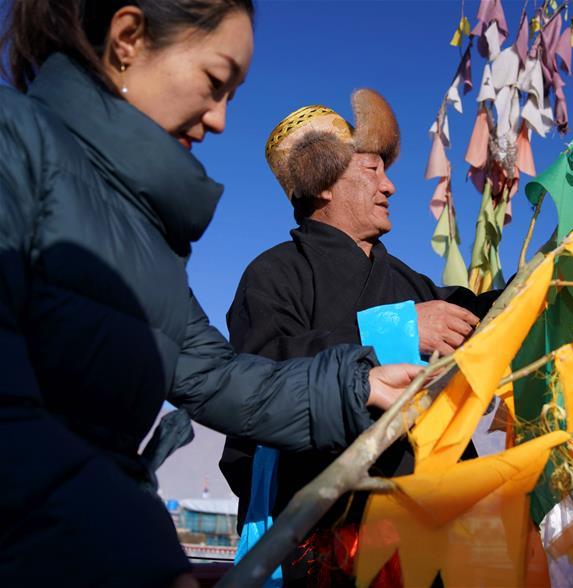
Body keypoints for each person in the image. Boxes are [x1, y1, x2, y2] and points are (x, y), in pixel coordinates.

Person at [0, 2, 419, 587]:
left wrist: (356, 383)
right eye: (214, 82)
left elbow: (217, 377)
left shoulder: (149, 239)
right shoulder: (12, 144)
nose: (220, 118)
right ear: (128, 38)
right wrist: (138, 545)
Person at [219, 93, 500, 585]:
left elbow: (485, 315)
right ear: (324, 184)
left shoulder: (410, 283)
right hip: (326, 536)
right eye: (372, 170)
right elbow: (260, 373)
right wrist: (401, 331)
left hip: (428, 532)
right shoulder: (272, 275)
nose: (390, 186)